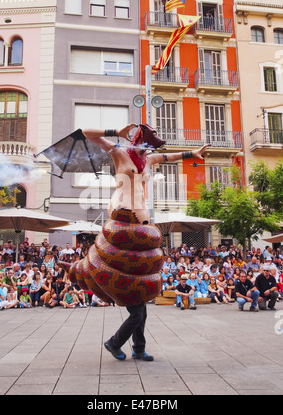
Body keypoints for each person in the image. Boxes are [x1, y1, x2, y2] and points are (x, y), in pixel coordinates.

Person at [80, 124, 207, 361]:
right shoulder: (119, 152)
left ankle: (138, 349)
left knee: (141, 309)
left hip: (140, 227)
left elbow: (171, 155)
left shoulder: (148, 160)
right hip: (123, 221)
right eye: (148, 143)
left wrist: (193, 154)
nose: (149, 149)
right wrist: (115, 131)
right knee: (138, 313)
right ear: (139, 140)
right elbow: (85, 134)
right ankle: (114, 342)